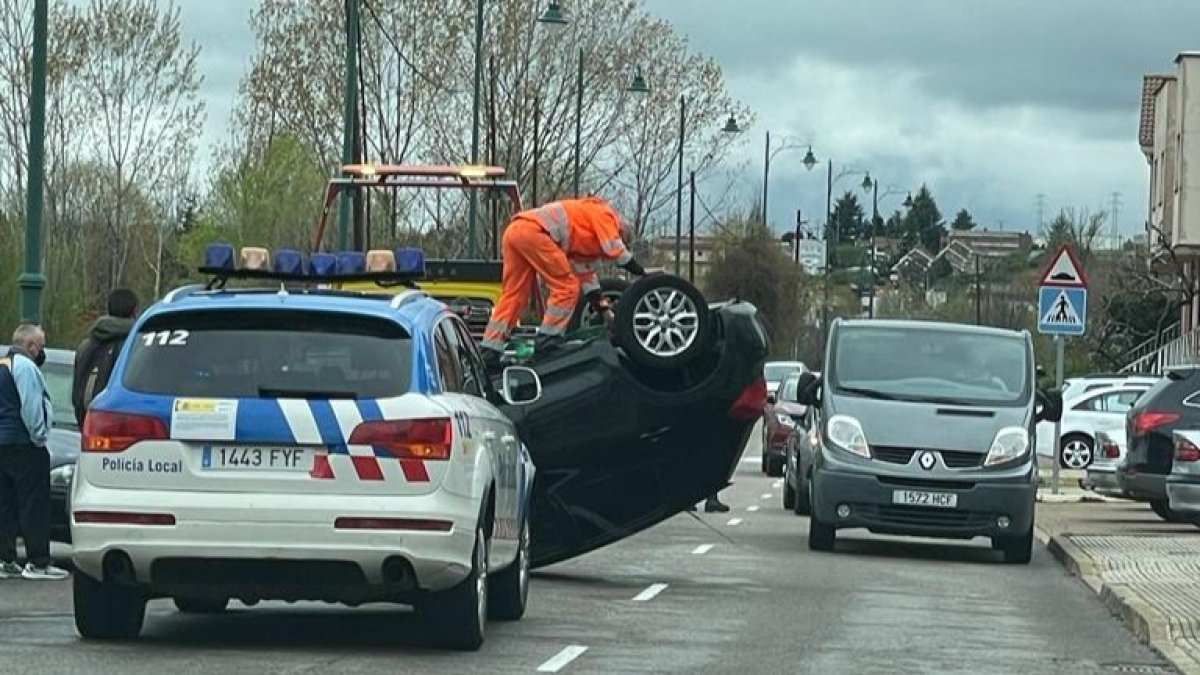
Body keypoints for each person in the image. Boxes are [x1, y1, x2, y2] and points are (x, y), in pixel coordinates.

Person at [480, 196, 648, 371]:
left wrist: (606, 313)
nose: (604, 258)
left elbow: (589, 282)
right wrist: (642, 273)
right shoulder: (606, 215)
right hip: (537, 233)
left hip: (515, 232)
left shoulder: (585, 234)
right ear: (621, 232)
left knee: (514, 295)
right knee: (567, 288)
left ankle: (490, 350)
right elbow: (615, 250)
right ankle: (548, 341)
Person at [0, 324, 67, 580]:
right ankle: (38, 561)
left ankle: (6, 558)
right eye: (41, 345)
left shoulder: (2, 363)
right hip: (24, 443)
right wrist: (39, 437)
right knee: (33, 504)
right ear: (30, 346)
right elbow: (30, 406)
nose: (42, 351)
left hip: (3, 442)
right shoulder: (26, 367)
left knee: (5, 504)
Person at [72, 289, 138, 428]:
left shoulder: (86, 346)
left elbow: (77, 390)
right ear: (134, 311)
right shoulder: (138, 344)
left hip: (89, 424)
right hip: (122, 425)